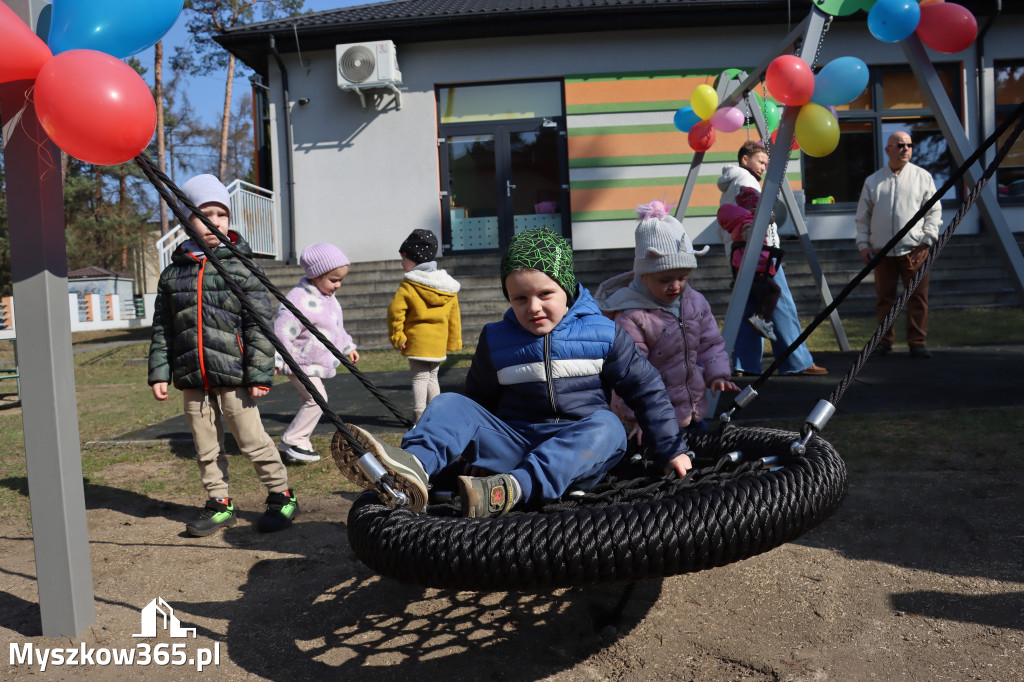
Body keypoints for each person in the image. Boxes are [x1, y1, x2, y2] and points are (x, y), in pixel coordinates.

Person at [334, 227, 691, 518]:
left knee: (609, 425)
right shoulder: (497, 339)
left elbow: (647, 390)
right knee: (450, 404)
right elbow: (478, 403)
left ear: (566, 289)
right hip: (515, 444)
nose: (533, 307)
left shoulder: (603, 333)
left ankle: (511, 489)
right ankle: (413, 468)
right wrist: (462, 458)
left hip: (577, 453)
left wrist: (670, 449)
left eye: (544, 294)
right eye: (519, 298)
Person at [148, 174, 297, 537]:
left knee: (251, 439)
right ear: (186, 220)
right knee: (204, 444)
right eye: (204, 214)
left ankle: (281, 495)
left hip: (236, 374)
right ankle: (219, 502)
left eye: (221, 214)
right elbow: (163, 326)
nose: (214, 222)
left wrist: (260, 374)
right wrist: (158, 372)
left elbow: (259, 325)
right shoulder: (173, 274)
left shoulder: (242, 267)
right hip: (192, 377)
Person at [596, 200, 737, 436]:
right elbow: (629, 372)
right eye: (665, 280)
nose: (676, 286)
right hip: (652, 416)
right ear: (643, 276)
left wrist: (717, 374)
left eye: (682, 277)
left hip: (690, 409)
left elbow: (710, 342)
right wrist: (638, 416)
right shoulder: (632, 315)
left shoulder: (694, 302)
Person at [717, 140, 828, 376]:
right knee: (781, 304)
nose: (763, 168)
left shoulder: (729, 186)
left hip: (739, 254)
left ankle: (744, 364)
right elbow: (757, 211)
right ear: (745, 159)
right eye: (760, 161)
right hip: (760, 252)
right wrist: (769, 210)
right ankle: (795, 361)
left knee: (748, 307)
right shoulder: (746, 181)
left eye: (767, 164)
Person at [855, 131, 942, 358]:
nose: (906, 149)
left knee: (917, 299)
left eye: (909, 145)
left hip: (915, 251)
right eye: (900, 145)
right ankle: (884, 343)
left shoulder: (923, 177)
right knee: (885, 300)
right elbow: (863, 217)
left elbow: (934, 212)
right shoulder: (873, 181)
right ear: (888, 150)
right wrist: (864, 245)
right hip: (881, 252)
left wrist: (927, 241)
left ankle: (917, 342)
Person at [274, 242, 359, 463]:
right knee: (318, 399)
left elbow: (337, 328)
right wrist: (278, 357)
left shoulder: (329, 299)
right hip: (299, 362)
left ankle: (301, 443)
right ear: (315, 275)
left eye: (341, 280)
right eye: (333, 280)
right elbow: (282, 331)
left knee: (309, 401)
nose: (338, 285)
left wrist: (347, 346)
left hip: (314, 363)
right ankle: (293, 439)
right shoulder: (298, 299)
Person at [387, 229, 462, 422]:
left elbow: (395, 312)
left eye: (404, 258)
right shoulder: (448, 286)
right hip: (437, 343)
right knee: (433, 377)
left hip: (417, 340)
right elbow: (454, 316)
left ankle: (419, 416)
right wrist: (453, 342)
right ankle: (437, 415)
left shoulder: (410, 284)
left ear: (414, 259)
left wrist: (398, 337)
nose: (402, 263)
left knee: (420, 378)